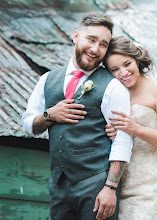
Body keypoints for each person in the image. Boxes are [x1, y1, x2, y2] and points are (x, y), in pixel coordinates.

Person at [21, 12, 132, 220]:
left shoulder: (114, 87)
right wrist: (49, 115)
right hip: (59, 186)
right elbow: (28, 124)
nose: (95, 49)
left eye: (103, 44)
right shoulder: (47, 80)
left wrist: (110, 187)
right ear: (75, 36)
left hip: (97, 186)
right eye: (91, 39)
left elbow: (123, 140)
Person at [104, 36, 157, 219]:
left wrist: (136, 129)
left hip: (149, 182)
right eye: (115, 69)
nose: (123, 72)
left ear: (136, 59)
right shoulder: (111, 92)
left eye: (127, 63)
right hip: (115, 180)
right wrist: (111, 132)